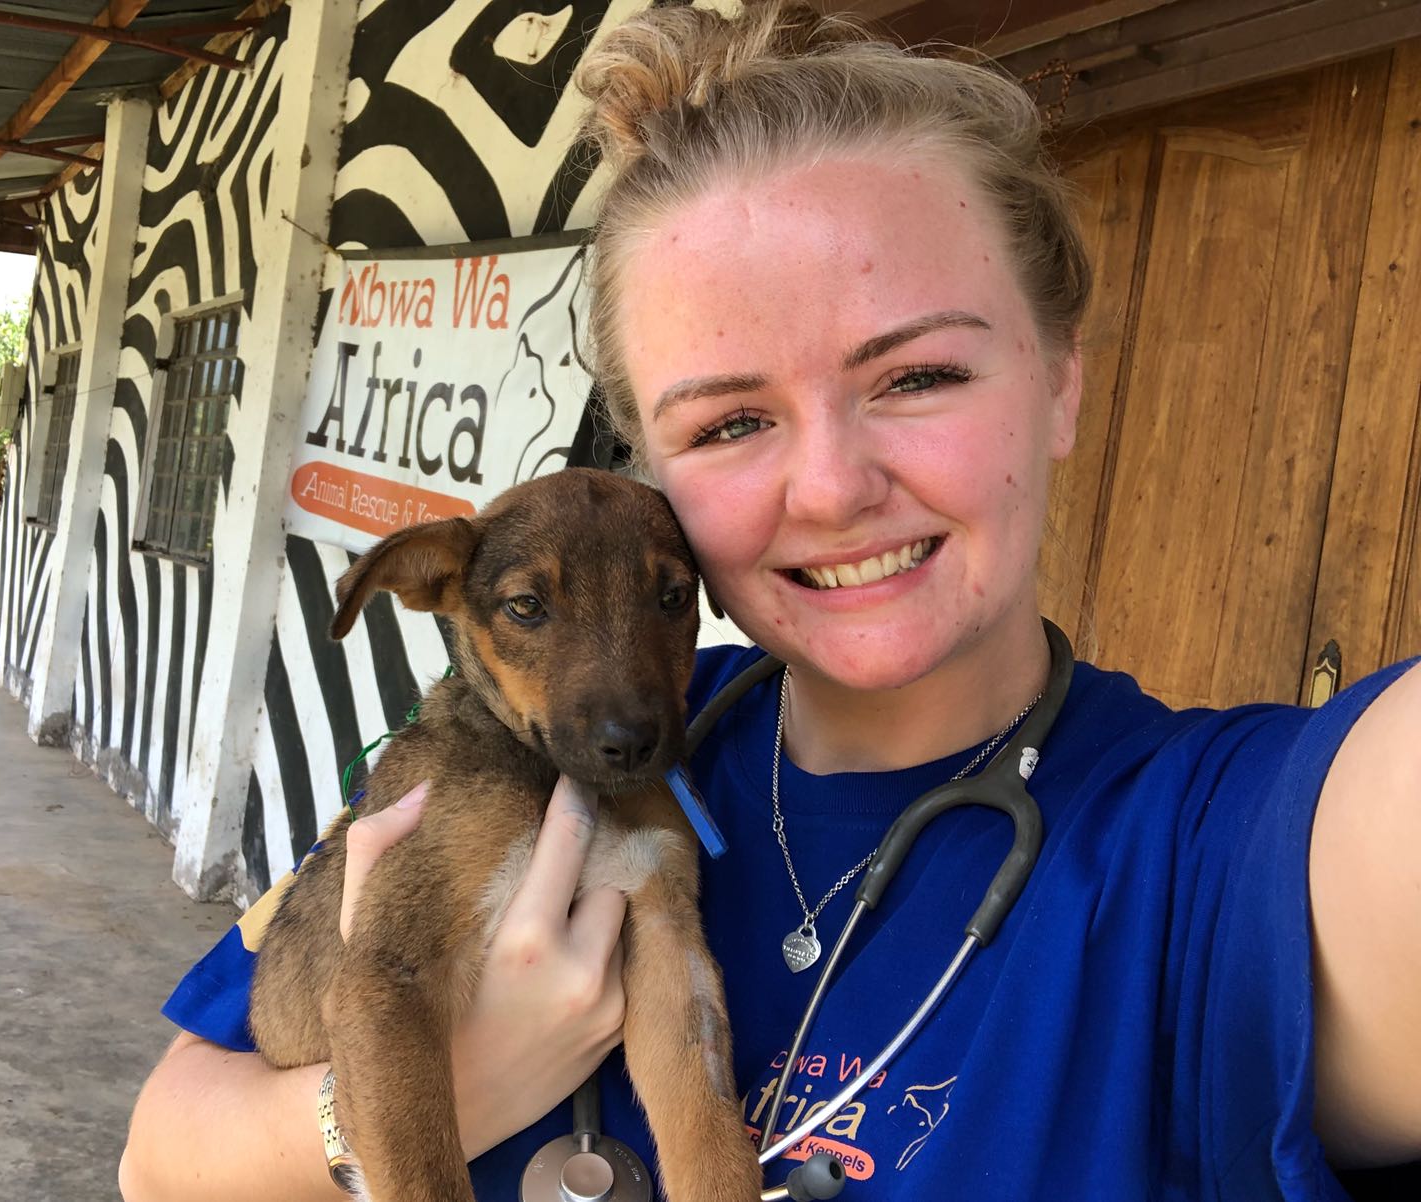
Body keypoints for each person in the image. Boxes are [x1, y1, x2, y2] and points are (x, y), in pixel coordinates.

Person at [118, 4, 1421, 1199]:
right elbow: (158, 1151)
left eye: (915, 376)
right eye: (734, 417)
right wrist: (418, 1101)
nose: (834, 485)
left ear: (1062, 376)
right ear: (654, 471)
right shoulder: (573, 746)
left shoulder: (1195, 855)